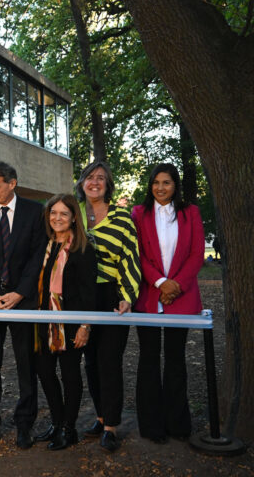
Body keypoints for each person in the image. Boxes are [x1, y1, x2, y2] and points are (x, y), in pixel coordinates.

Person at [0, 161, 45, 450]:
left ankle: (25, 424)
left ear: (12, 184)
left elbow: (38, 255)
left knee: (27, 365)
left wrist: (20, 293)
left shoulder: (35, 211)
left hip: (23, 302)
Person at [131, 163, 204, 443]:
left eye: (167, 183)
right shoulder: (139, 213)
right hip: (149, 296)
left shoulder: (190, 212)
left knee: (175, 359)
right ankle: (152, 427)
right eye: (156, 182)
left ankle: (178, 424)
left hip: (181, 297)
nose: (160, 188)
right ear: (150, 185)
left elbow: (197, 254)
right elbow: (137, 254)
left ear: (175, 186)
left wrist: (176, 286)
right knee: (148, 359)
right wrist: (161, 283)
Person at [76, 160, 141, 452]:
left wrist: (127, 295)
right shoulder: (74, 212)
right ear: (82, 182)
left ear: (108, 185)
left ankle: (111, 426)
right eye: (90, 177)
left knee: (109, 360)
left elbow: (130, 256)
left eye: (101, 178)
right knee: (90, 360)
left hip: (112, 294)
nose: (95, 182)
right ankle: (100, 416)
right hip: (81, 295)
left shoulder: (122, 217)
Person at [33, 194, 96, 450]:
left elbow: (89, 292)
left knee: (70, 375)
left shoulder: (83, 249)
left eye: (63, 214)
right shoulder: (43, 245)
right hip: (42, 321)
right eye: (53, 213)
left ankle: (69, 429)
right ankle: (56, 423)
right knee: (45, 373)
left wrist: (85, 326)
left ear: (73, 218)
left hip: (70, 322)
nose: (57, 218)